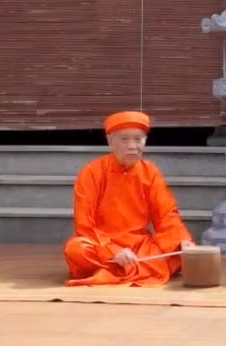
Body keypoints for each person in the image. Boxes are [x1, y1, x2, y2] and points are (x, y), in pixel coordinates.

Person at [63, 111, 194, 287]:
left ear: (145, 142)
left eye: (138, 139)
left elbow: (166, 214)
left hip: (140, 246)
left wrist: (182, 240)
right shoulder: (91, 172)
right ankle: (137, 269)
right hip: (102, 245)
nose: (132, 146)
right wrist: (112, 251)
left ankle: (116, 271)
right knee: (76, 249)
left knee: (177, 251)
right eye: (124, 139)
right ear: (110, 142)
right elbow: (85, 224)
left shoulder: (150, 172)